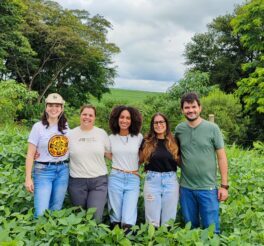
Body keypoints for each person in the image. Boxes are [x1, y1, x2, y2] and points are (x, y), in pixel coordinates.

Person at [175, 92, 228, 234]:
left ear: (200, 108)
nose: (190, 110)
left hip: (208, 189)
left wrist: (224, 186)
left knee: (211, 231)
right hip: (186, 188)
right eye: (187, 107)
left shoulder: (212, 128)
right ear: (182, 110)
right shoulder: (179, 130)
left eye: (193, 106)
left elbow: (222, 157)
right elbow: (177, 155)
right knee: (190, 230)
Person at [25, 93, 69, 218]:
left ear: (62, 108)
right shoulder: (38, 127)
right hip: (43, 172)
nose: (54, 108)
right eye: (50, 105)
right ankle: (38, 235)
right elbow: (30, 154)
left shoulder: (66, 127)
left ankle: (51, 236)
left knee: (56, 209)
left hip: (63, 171)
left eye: (57, 106)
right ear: (46, 107)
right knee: (40, 213)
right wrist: (28, 178)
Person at [68, 105, 110, 222]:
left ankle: (95, 238)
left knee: (95, 218)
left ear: (95, 118)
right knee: (79, 218)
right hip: (77, 182)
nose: (87, 117)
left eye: (90, 115)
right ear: (80, 116)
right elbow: (60, 154)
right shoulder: (70, 134)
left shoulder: (101, 134)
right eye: (84, 114)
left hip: (98, 182)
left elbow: (110, 154)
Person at [140, 113, 179, 227]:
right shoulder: (146, 142)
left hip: (170, 181)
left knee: (169, 219)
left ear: (166, 124)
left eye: (161, 122)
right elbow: (139, 160)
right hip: (152, 180)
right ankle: (152, 240)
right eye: (155, 122)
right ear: (152, 125)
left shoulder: (174, 141)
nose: (159, 125)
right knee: (152, 220)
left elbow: (181, 161)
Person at [108, 105, 143, 231]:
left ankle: (128, 238)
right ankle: (115, 239)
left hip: (133, 178)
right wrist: (119, 163)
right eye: (122, 117)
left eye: (128, 118)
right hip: (116, 177)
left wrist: (133, 166)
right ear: (116, 119)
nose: (124, 120)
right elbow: (107, 153)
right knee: (115, 214)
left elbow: (142, 156)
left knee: (129, 216)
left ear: (132, 120)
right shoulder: (110, 138)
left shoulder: (138, 137)